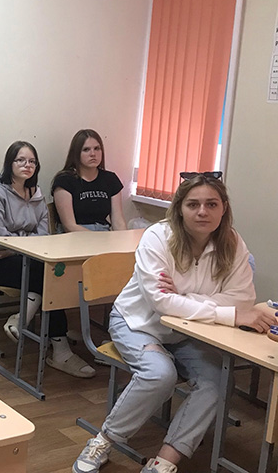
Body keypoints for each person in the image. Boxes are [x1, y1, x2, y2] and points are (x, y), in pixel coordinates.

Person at [72, 174, 274, 473]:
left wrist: (185, 297)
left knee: (217, 381)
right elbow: (161, 303)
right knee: (160, 374)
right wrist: (223, 309)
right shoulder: (157, 237)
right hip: (138, 323)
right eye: (193, 204)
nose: (202, 212)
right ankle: (104, 440)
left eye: (211, 204)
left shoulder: (232, 242)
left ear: (224, 208)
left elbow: (242, 299)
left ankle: (165, 460)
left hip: (189, 332)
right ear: (179, 208)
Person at [0, 141, 95, 378]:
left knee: (49, 272)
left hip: (19, 257)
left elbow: (44, 237)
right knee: (45, 274)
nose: (27, 165)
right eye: (21, 160)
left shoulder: (36, 194)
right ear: (10, 163)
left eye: (32, 161)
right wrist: (22, 242)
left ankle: (21, 319)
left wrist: (13, 247)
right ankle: (60, 349)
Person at [52, 129, 125, 232]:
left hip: (103, 232)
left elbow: (118, 221)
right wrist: (95, 239)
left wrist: (123, 240)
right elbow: (69, 226)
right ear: (76, 153)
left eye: (97, 148)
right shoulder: (64, 180)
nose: (93, 154)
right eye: (86, 150)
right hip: (74, 236)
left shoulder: (110, 179)